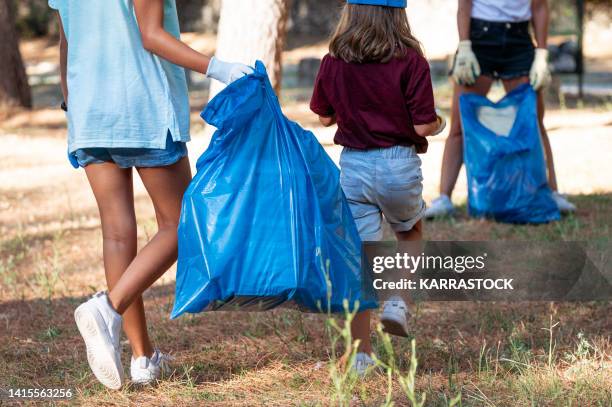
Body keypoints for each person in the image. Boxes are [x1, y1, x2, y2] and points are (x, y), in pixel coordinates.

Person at [49, 0, 251, 389]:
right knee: (181, 223)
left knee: (116, 232)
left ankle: (142, 358)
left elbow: (66, 39)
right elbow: (152, 35)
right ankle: (107, 308)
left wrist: (71, 100)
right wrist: (220, 68)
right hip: (141, 108)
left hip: (89, 113)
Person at [310, 0, 445, 375]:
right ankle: (398, 302)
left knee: (360, 260)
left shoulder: (334, 61)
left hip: (353, 165)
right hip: (397, 164)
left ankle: (361, 355)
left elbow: (324, 117)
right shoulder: (411, 59)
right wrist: (440, 123)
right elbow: (422, 126)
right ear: (397, 13)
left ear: (350, 13)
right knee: (411, 232)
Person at [425, 0, 576, 218]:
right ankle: (444, 199)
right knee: (460, 125)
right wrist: (465, 46)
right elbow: (464, 5)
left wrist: (541, 55)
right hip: (478, 38)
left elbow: (540, 6)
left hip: (519, 39)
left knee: (533, 123)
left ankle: (551, 192)